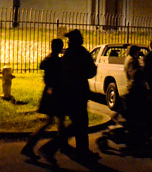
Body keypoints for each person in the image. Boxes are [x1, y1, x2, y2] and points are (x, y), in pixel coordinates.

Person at [39, 29, 99, 164]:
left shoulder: (68, 54)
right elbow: (90, 71)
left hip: (69, 92)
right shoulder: (81, 52)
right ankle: (51, 148)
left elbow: (63, 73)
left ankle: (82, 152)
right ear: (79, 40)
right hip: (79, 92)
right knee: (79, 124)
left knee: (78, 124)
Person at [21, 39, 66, 159]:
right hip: (54, 94)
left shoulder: (49, 58)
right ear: (59, 48)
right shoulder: (56, 60)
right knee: (54, 121)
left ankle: (58, 145)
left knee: (56, 120)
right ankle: (33, 145)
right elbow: (58, 77)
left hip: (51, 92)